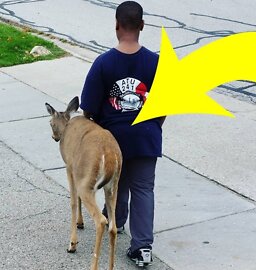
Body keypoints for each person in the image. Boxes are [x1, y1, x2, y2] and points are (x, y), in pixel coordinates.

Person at [80, 1, 164, 267]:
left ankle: (115, 219)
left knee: (117, 183)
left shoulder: (103, 63)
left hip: (112, 138)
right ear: (142, 26)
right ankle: (142, 248)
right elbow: (164, 105)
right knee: (143, 188)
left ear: (116, 25)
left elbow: (89, 109)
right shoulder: (156, 62)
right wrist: (153, 126)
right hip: (146, 136)